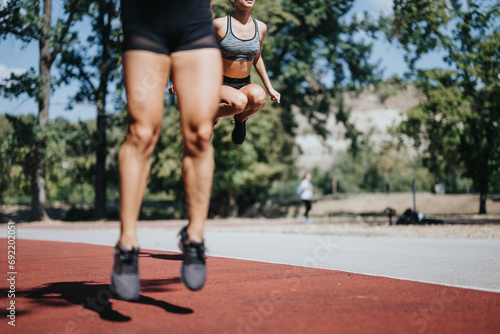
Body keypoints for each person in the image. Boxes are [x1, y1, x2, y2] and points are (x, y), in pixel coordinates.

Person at [111, 0, 222, 301]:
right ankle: (127, 244)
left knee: (200, 133)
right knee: (142, 132)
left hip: (194, 22)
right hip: (145, 20)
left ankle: (194, 238)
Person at [169, 0, 280, 146]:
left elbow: (257, 57)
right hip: (218, 84)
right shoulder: (219, 25)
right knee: (239, 102)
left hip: (243, 83)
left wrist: (269, 87)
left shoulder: (261, 27)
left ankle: (240, 120)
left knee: (259, 98)